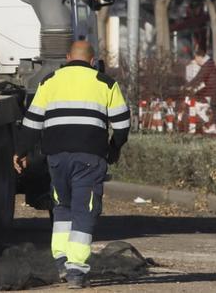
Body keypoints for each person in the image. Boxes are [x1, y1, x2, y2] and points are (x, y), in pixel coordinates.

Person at [12, 41, 130, 289]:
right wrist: (114, 148)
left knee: (62, 206)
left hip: (56, 158)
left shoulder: (49, 81)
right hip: (89, 157)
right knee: (84, 210)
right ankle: (76, 269)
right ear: (92, 60)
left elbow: (32, 122)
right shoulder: (105, 83)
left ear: (67, 58)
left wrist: (21, 152)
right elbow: (121, 124)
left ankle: (61, 260)